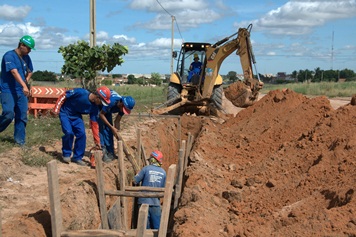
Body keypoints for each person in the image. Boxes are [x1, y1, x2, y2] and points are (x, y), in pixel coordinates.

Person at [53, 86, 111, 166]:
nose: (101, 104)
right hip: (65, 113)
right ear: (97, 97)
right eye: (101, 101)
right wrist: (56, 109)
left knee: (82, 134)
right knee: (69, 132)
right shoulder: (80, 92)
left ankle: (77, 157)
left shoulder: (94, 108)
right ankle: (66, 154)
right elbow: (64, 95)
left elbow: (94, 125)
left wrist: (97, 142)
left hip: (76, 116)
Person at [0, 35, 35, 146]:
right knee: (9, 114)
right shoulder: (9, 56)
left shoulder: (26, 58)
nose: (29, 51)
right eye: (28, 48)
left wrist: (26, 80)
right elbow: (14, 72)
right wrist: (24, 85)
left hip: (21, 92)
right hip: (8, 90)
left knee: (22, 115)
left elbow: (30, 71)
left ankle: (20, 141)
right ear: (21, 45)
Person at [97, 90, 135, 162]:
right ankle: (103, 151)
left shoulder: (123, 107)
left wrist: (117, 132)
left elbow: (117, 121)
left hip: (107, 110)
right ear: (121, 104)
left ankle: (111, 152)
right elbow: (101, 114)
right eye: (124, 109)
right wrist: (112, 127)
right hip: (100, 106)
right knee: (101, 128)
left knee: (110, 131)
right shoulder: (111, 102)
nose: (123, 111)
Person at [133, 150, 166, 229]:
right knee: (157, 228)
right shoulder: (163, 172)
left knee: (143, 228)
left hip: (143, 202)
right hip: (155, 203)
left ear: (152, 159)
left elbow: (134, 181)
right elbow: (163, 188)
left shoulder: (146, 169)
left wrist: (138, 174)